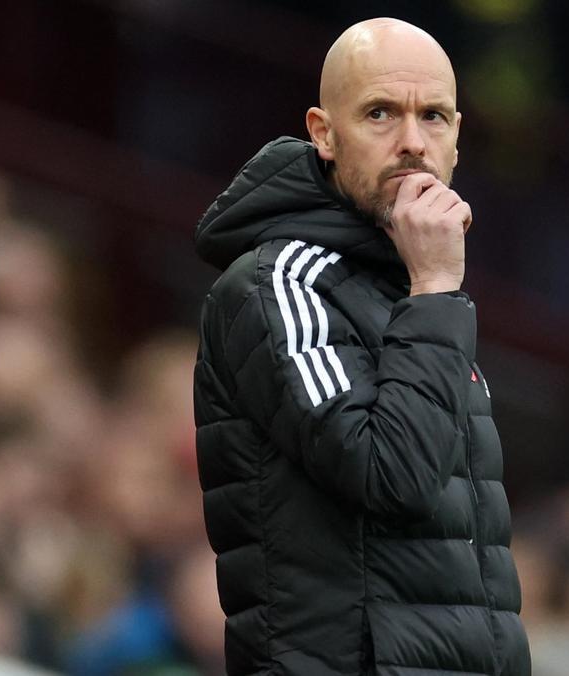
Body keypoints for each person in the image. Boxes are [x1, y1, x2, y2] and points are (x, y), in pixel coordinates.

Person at [192, 18, 529, 676]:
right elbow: (390, 477)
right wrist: (434, 290)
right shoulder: (278, 283)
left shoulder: (404, 287)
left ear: (458, 138)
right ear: (323, 133)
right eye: (381, 113)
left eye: (434, 117)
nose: (413, 143)